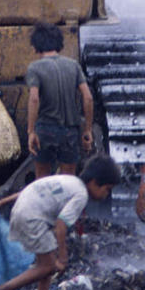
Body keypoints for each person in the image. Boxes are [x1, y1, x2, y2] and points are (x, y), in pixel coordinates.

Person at [0, 155, 121, 290]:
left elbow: (35, 188)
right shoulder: (81, 195)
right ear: (94, 181)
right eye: (107, 189)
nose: (106, 195)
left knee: (47, 259)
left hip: (23, 210)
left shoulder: (69, 181)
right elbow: (61, 226)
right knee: (48, 266)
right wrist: (63, 257)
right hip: (33, 218)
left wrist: (4, 201)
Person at [26, 22, 94, 179]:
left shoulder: (34, 68)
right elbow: (88, 98)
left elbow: (34, 99)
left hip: (45, 129)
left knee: (42, 180)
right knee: (69, 179)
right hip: (70, 131)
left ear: (36, 46)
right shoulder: (73, 65)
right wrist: (87, 129)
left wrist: (31, 131)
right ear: (59, 43)